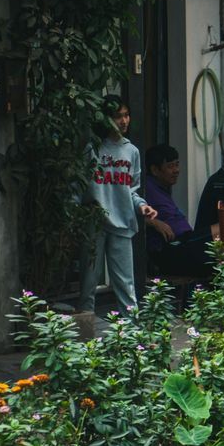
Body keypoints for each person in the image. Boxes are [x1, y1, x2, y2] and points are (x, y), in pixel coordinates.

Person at [80, 95, 152, 314]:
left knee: (125, 284)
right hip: (94, 221)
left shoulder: (132, 152)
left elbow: (132, 189)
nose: (124, 121)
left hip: (122, 221)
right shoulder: (92, 148)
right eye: (118, 116)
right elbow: (79, 184)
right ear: (106, 118)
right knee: (88, 283)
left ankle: (131, 336)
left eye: (126, 115)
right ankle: (85, 333)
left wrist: (142, 206)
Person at [143, 143, 212, 291]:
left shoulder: (162, 189)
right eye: (170, 166)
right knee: (223, 229)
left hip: (185, 243)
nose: (176, 171)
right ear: (155, 170)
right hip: (172, 249)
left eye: (177, 165)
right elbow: (130, 214)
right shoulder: (146, 188)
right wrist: (153, 223)